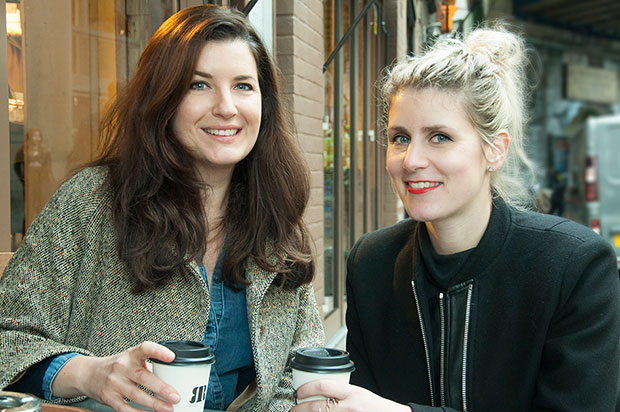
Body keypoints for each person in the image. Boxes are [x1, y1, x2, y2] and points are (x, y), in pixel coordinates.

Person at [0, 5, 324, 412]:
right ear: (163, 98)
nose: (226, 107)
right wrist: (91, 374)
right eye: (198, 85)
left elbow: (302, 358)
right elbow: (7, 340)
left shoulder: (275, 215)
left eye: (244, 86)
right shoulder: (91, 203)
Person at [292, 26, 620, 412]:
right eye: (400, 138)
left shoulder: (574, 269)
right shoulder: (372, 264)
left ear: (494, 151)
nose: (411, 161)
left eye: (440, 137)